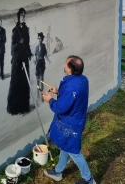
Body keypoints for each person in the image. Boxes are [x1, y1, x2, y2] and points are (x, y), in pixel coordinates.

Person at [42, 55, 96, 184]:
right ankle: (58, 171)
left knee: (74, 151)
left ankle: (89, 180)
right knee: (65, 146)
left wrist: (50, 100)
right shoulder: (82, 80)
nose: (64, 65)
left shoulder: (73, 86)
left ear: (70, 69)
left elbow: (60, 108)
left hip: (71, 124)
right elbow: (72, 97)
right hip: (75, 120)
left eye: (66, 64)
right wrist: (58, 92)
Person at [7, 8, 33, 115]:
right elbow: (12, 47)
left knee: (25, 82)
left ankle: (24, 106)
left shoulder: (26, 30)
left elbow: (27, 45)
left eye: (24, 16)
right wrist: (18, 43)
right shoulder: (15, 30)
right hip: (17, 59)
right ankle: (14, 108)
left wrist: (30, 54)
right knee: (16, 82)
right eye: (21, 16)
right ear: (18, 17)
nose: (23, 17)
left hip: (25, 58)